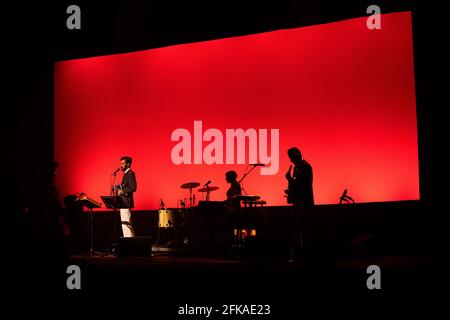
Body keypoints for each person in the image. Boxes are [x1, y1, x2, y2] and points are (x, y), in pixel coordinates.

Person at [285, 147, 314, 251]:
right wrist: (290, 189)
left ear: (297, 155)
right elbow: (295, 184)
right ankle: (299, 250)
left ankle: (306, 252)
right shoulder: (296, 168)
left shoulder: (305, 167)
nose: (290, 160)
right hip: (297, 202)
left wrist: (290, 179)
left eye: (291, 157)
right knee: (297, 228)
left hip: (304, 202)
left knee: (304, 228)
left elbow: (303, 184)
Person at [116, 156, 137, 237]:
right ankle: (131, 244)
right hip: (123, 202)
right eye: (120, 163)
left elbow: (133, 187)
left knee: (126, 225)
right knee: (125, 225)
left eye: (122, 163)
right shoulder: (126, 174)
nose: (121, 165)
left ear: (128, 164)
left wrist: (122, 191)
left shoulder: (130, 173)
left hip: (126, 202)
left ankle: (130, 245)